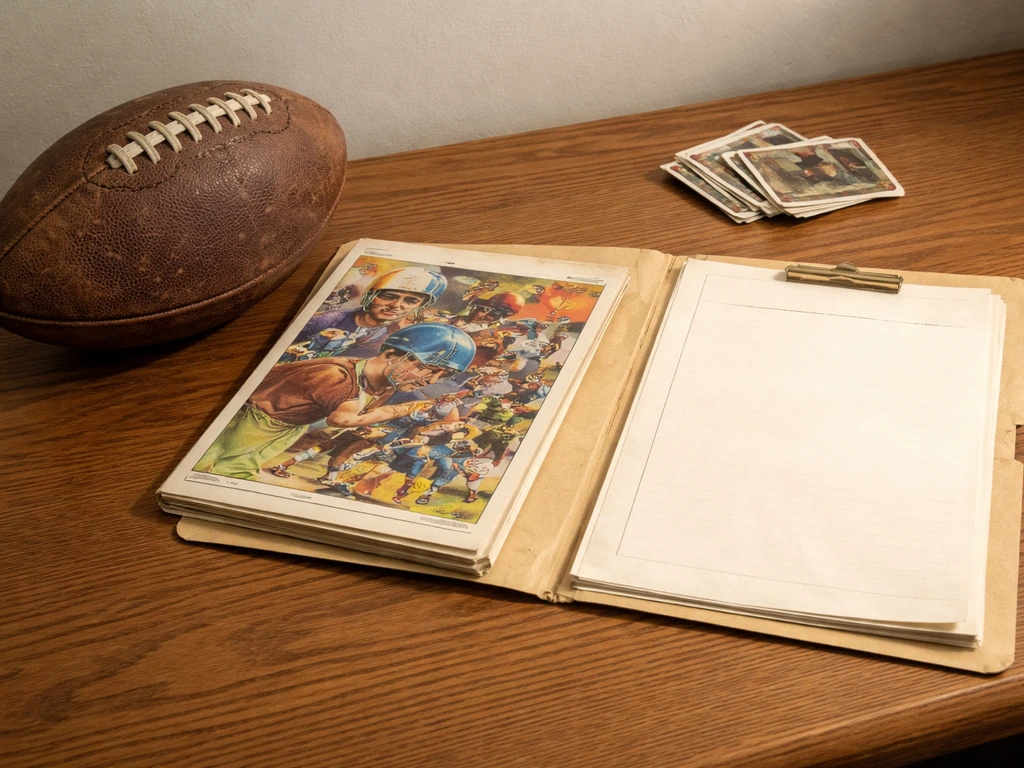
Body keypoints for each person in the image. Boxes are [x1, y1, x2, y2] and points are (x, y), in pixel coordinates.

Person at [194, 324, 476, 480]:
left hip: (286, 427)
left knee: (236, 470)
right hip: (255, 419)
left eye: (443, 374)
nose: (431, 378)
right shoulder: (338, 374)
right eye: (428, 366)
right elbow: (341, 419)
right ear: (392, 353)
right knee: (208, 460)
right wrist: (394, 411)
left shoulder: (383, 383)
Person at [297, 267, 448, 359]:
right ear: (371, 296)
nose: (396, 305)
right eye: (388, 296)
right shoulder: (326, 320)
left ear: (420, 307)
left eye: (410, 301)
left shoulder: (402, 338)